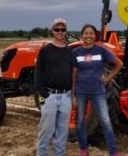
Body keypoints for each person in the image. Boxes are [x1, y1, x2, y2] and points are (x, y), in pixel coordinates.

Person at [72, 24, 123, 156]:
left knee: (105, 121)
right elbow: (74, 73)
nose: (88, 36)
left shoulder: (101, 50)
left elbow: (119, 64)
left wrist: (109, 77)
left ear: (95, 36)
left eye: (91, 33)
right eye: (86, 33)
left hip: (98, 91)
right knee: (80, 122)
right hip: (81, 91)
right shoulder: (75, 52)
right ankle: (83, 149)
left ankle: (113, 152)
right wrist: (72, 94)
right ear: (81, 35)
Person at [35, 18, 73, 156]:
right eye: (57, 29)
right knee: (46, 130)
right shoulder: (45, 50)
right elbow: (38, 72)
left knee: (63, 132)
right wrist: (43, 94)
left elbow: (73, 73)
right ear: (52, 31)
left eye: (63, 29)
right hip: (50, 96)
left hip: (66, 96)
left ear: (66, 31)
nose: (60, 32)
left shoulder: (70, 51)